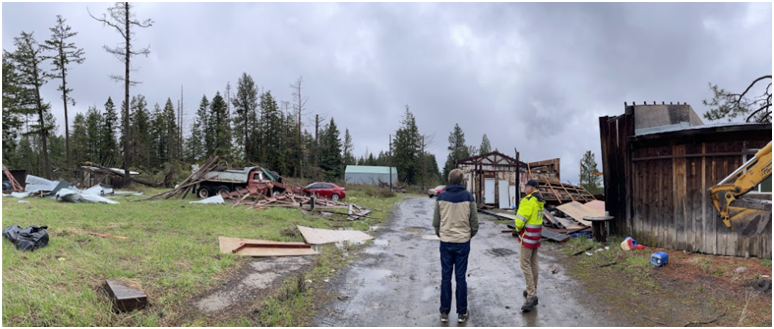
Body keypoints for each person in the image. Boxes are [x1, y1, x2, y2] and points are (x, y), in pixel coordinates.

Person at [432, 168, 478, 323]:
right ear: (462, 180)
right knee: (460, 278)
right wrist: (467, 236)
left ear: (450, 180)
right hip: (462, 243)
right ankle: (461, 313)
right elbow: (475, 223)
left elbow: (436, 222)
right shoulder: (468, 197)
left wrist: (442, 234)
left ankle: (444, 312)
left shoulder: (441, 196)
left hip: (446, 242)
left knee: (445, 277)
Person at [515, 180, 545, 312]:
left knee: (524, 264)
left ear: (531, 188)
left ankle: (531, 294)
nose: (525, 188)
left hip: (527, 237)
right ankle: (532, 288)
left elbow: (520, 220)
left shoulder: (528, 200)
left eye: (526, 186)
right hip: (536, 236)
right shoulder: (540, 200)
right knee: (533, 263)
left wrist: (517, 228)